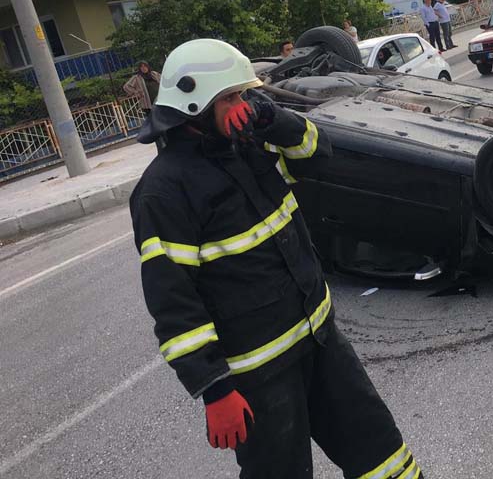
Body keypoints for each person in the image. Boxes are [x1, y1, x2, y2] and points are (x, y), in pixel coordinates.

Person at [130, 38, 422, 479]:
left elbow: (316, 154)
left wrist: (274, 118)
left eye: (244, 95)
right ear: (194, 105)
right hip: (259, 376)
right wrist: (214, 389)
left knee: (383, 455)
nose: (241, 105)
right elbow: (173, 304)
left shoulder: (248, 144)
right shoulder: (163, 192)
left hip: (321, 342)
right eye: (230, 98)